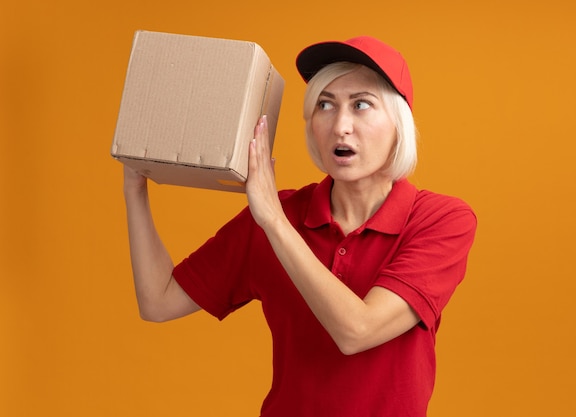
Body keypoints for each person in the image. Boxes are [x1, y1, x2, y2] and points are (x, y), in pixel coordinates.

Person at [123, 35, 477, 417]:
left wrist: (274, 221)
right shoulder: (277, 215)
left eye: (361, 105)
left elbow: (358, 331)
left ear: (399, 125)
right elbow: (158, 300)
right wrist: (136, 188)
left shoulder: (441, 221)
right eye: (325, 105)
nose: (341, 125)